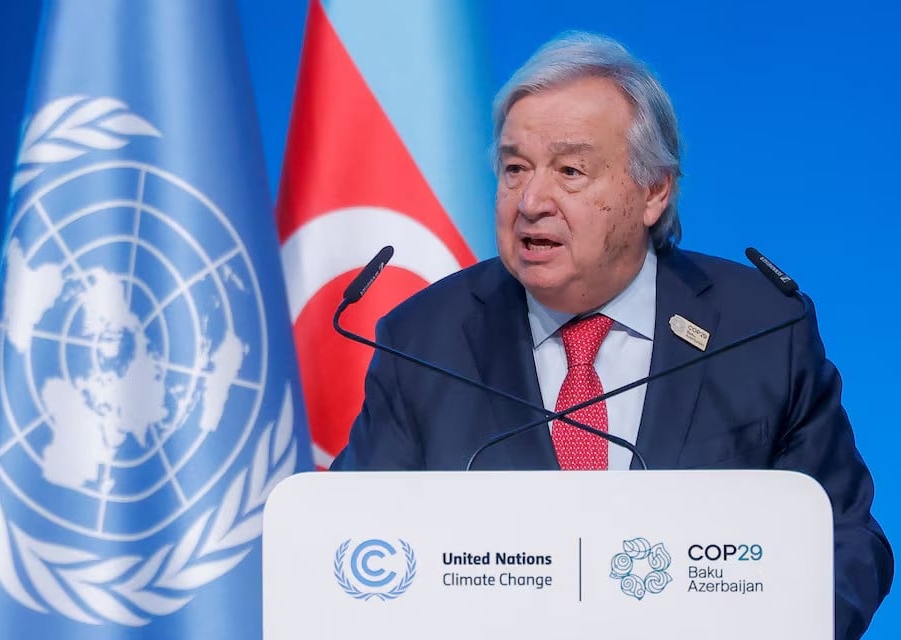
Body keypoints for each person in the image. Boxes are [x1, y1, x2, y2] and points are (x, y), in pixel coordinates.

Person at [330, 32, 892, 637]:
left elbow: (846, 538)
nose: (531, 201)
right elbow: (353, 546)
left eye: (570, 170)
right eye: (515, 168)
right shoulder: (422, 340)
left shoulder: (759, 329)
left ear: (653, 191)